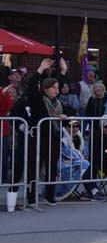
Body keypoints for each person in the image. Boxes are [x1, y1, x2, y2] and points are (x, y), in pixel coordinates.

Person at [26, 58, 69, 205]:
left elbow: (61, 85)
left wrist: (63, 71)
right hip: (39, 137)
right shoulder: (39, 99)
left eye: (58, 87)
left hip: (54, 137)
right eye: (53, 88)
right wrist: (40, 68)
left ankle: (50, 195)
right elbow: (31, 86)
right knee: (34, 167)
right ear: (45, 89)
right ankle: (31, 197)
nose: (57, 90)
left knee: (52, 167)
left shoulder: (57, 103)